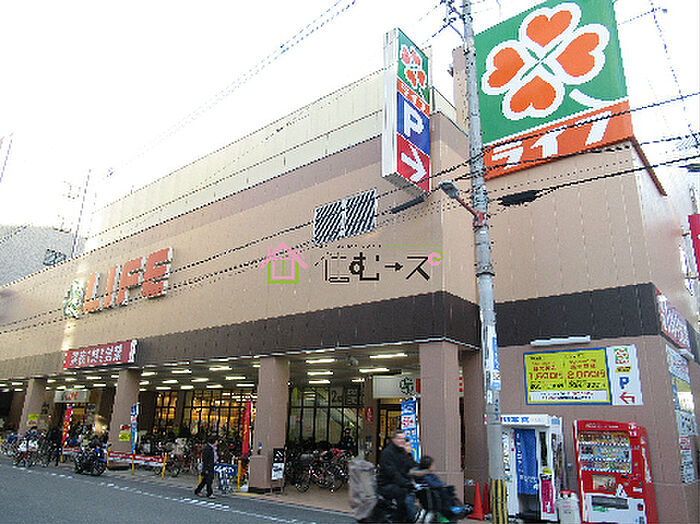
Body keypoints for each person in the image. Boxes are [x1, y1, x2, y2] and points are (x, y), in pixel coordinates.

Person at [376, 429, 416, 522]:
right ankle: (399, 519)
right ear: (393, 439)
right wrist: (405, 482)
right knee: (401, 494)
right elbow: (392, 472)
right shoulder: (387, 453)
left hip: (400, 482)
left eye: (403, 439)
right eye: (399, 438)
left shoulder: (402, 452)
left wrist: (422, 469)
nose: (402, 441)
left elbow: (410, 465)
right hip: (387, 484)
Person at [414, 455, 469, 521]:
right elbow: (434, 484)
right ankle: (452, 507)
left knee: (448, 490)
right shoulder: (427, 476)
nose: (434, 466)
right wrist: (443, 486)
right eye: (432, 464)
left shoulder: (423, 476)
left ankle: (454, 507)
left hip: (432, 499)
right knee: (446, 491)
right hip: (435, 500)